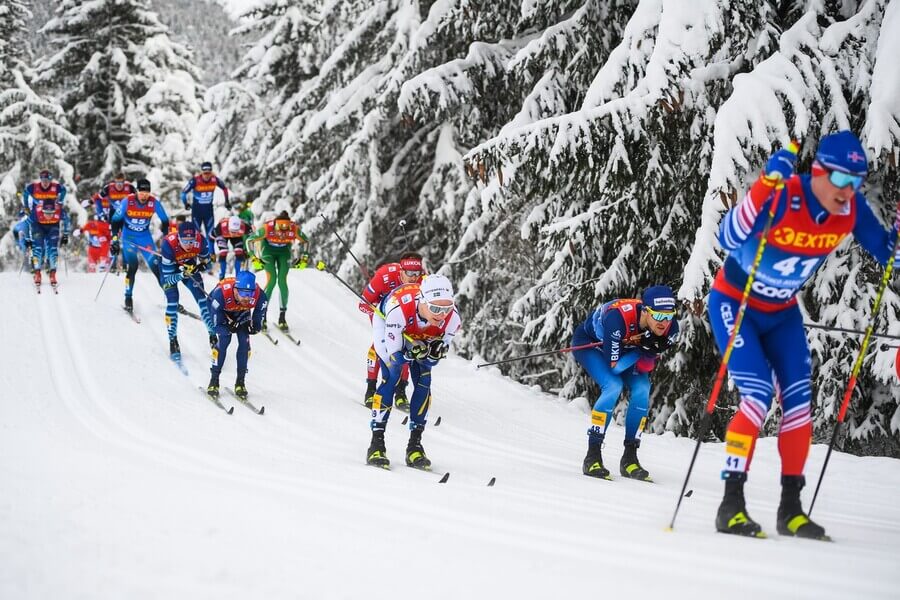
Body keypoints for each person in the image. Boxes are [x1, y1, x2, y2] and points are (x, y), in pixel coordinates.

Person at [709, 131, 900, 540]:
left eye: (858, 181)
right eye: (842, 180)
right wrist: (763, 187)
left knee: (798, 406)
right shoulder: (784, 195)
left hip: (782, 314)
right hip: (735, 304)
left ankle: (791, 510)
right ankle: (731, 504)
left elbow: (887, 257)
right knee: (758, 396)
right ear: (817, 172)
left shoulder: (848, 212)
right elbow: (726, 238)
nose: (849, 191)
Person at [571, 285, 679, 481]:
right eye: (659, 316)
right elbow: (614, 367)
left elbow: (646, 367)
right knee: (613, 386)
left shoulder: (671, 328)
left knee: (642, 388)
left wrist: (649, 351)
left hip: (626, 352)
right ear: (646, 311)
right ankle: (592, 456)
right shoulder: (618, 318)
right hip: (592, 346)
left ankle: (630, 458)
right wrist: (641, 348)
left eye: (669, 316)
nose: (664, 323)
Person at [366, 274, 461, 470]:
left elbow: (432, 360)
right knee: (392, 376)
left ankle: (415, 446)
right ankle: (376, 444)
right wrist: (411, 351)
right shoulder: (398, 310)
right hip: (389, 325)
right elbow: (396, 357)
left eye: (447, 308)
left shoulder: (453, 319)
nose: (442, 315)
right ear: (422, 301)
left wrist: (432, 355)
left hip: (418, 336)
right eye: (435, 308)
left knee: (424, 379)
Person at [358, 253, 426, 410]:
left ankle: (400, 392)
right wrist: (378, 312)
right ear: (401, 271)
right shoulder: (384, 276)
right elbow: (363, 304)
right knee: (380, 347)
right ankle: (371, 389)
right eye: (410, 273)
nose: (414, 278)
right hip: (382, 315)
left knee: (407, 349)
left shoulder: (424, 282)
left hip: (405, 317)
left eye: (418, 273)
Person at [158, 222, 217, 358]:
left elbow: (208, 262)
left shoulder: (200, 241)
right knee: (173, 301)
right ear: (179, 238)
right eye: (185, 241)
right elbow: (168, 280)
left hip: (189, 266)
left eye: (192, 241)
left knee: (202, 300)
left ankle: (213, 336)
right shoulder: (168, 245)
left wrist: (200, 267)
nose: (189, 244)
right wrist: (181, 274)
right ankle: (173, 340)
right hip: (171, 270)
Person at [207, 271, 268, 399]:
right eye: (244, 294)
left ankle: (240, 382)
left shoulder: (259, 295)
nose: (247, 298)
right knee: (224, 340)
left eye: (250, 293)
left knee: (244, 343)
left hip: (241, 313)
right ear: (235, 290)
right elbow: (216, 326)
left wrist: (256, 326)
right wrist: (227, 328)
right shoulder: (220, 294)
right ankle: (214, 380)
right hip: (223, 313)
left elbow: (259, 314)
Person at [111, 178, 169, 312]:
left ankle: (171, 298)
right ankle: (128, 297)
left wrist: (165, 233)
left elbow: (165, 220)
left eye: (146, 193)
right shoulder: (128, 201)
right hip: (129, 238)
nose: (144, 195)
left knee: (156, 267)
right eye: (141, 192)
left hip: (145, 238)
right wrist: (114, 240)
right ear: (136, 191)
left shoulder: (153, 203)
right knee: (133, 267)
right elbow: (115, 221)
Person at [246, 211, 309, 331]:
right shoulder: (267, 228)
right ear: (275, 224)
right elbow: (249, 240)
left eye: (286, 230)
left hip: (284, 253)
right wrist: (253, 257)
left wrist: (304, 258)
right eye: (280, 229)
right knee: (271, 281)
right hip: (268, 252)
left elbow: (306, 241)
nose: (282, 233)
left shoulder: (293, 229)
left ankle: (282, 317)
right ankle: (262, 316)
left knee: (282, 282)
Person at [22, 169, 70, 291]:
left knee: (52, 249)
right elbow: (25, 225)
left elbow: (67, 220)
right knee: (38, 248)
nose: (45, 183)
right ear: (40, 179)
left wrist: (65, 235)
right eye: (43, 180)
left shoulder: (57, 195)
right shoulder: (34, 189)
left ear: (50, 180)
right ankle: (37, 272)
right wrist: (27, 239)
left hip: (53, 225)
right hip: (38, 223)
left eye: (47, 180)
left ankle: (53, 273)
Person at [180, 162, 229, 256]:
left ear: (211, 172)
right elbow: (183, 193)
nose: (207, 175)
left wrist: (227, 201)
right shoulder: (195, 180)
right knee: (196, 234)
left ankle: (211, 255)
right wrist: (185, 203)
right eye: (205, 173)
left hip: (208, 211)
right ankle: (195, 255)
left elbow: (225, 189)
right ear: (201, 172)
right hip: (197, 211)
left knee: (210, 234)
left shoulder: (215, 180)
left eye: (208, 173)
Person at [211, 215, 251, 280]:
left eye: (236, 231)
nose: (233, 234)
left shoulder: (244, 227)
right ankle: (222, 276)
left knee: (239, 253)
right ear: (229, 227)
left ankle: (238, 277)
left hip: (237, 237)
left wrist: (246, 250)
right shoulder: (220, 227)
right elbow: (211, 238)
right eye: (232, 231)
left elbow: (251, 238)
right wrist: (212, 252)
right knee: (223, 252)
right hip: (223, 235)